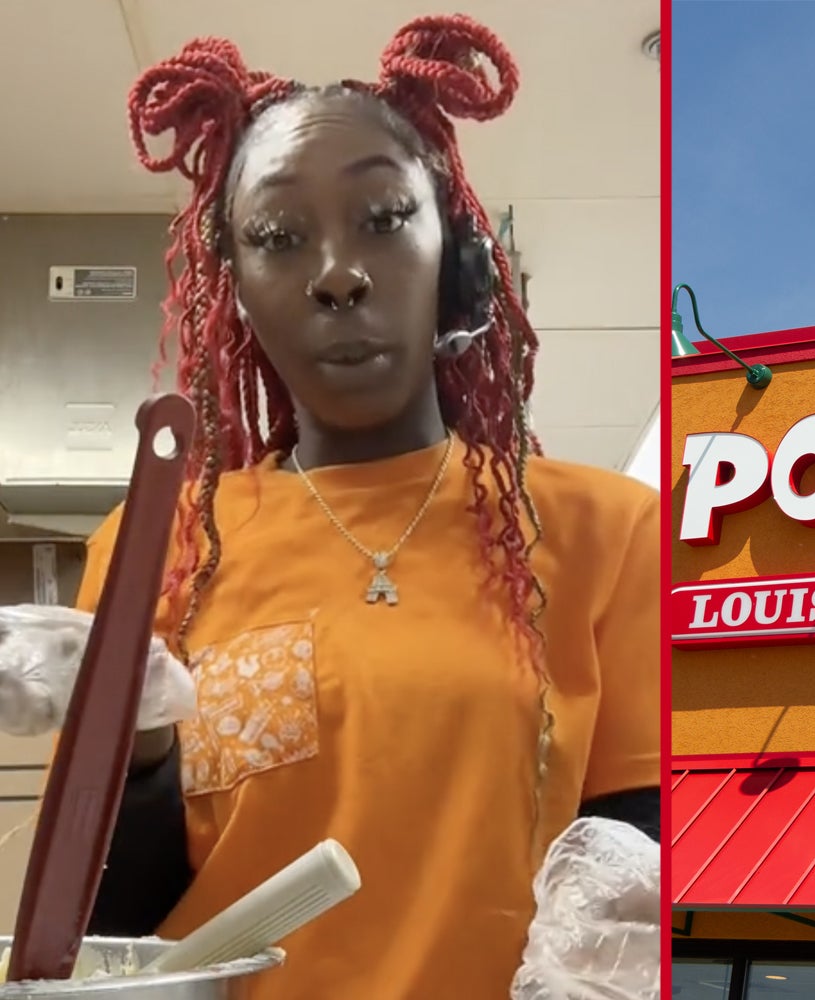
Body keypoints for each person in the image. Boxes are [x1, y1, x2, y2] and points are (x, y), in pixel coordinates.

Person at [0, 15, 659, 999]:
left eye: (385, 218)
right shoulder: (160, 547)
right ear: (237, 292)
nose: (338, 273)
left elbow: (644, 843)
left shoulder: (603, 531)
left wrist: (620, 946)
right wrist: (136, 748)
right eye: (277, 236)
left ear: (459, 259)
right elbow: (115, 923)